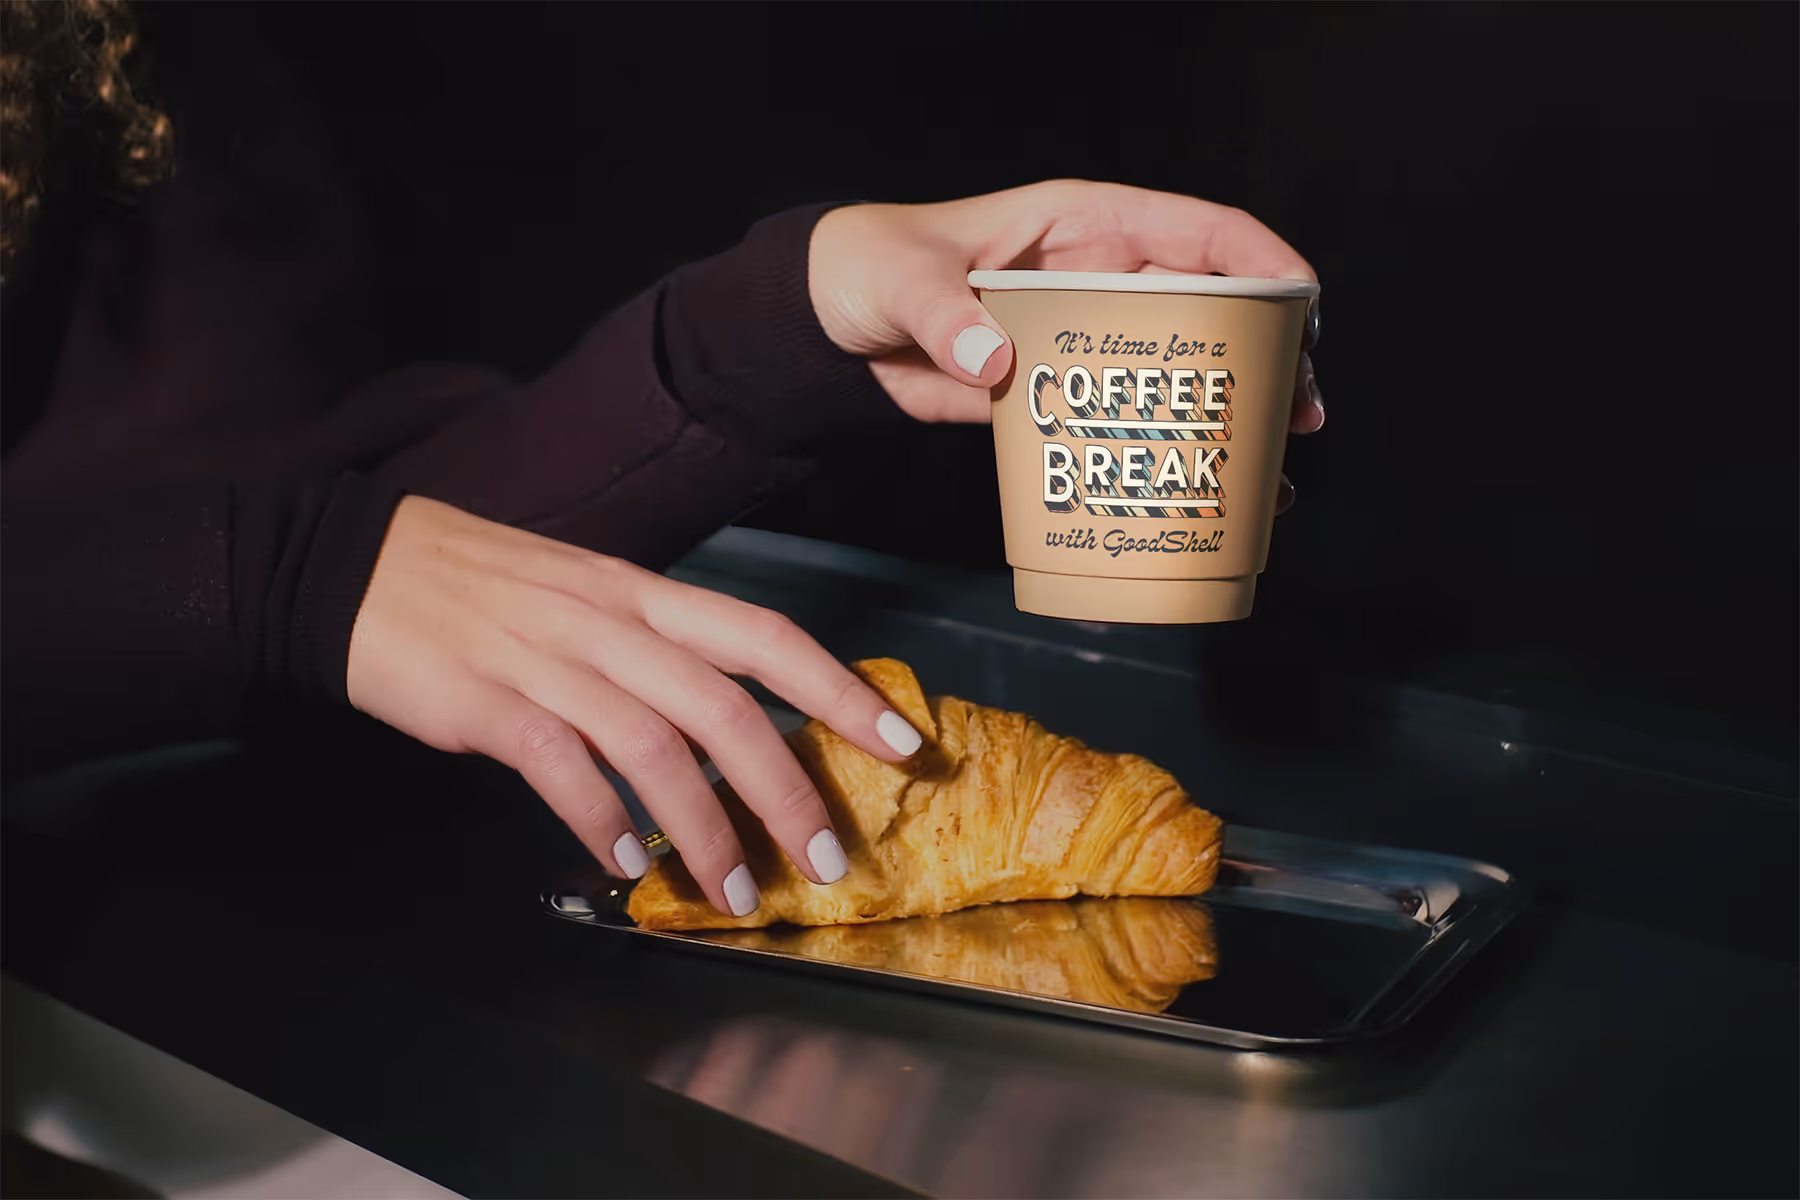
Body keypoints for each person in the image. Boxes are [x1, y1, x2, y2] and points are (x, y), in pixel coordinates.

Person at [0, 0, 1324, 921]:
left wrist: (774, 327)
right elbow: (274, 581)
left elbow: (368, 592)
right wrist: (282, 581)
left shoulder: (155, 53)